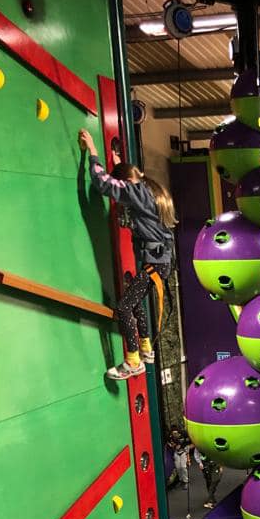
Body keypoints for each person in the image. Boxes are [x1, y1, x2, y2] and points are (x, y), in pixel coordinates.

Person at [78, 129, 176, 380]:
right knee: (136, 303)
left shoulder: (137, 192)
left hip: (155, 262)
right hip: (160, 262)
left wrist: (94, 152)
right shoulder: (151, 189)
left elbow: (103, 183)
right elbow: (127, 183)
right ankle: (146, 349)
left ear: (127, 182)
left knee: (123, 308)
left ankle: (133, 361)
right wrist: (120, 163)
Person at [166, 425, 191, 490]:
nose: (175, 434)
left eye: (176, 433)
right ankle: (181, 480)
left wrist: (188, 456)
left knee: (183, 467)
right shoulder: (170, 437)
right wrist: (172, 445)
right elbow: (169, 443)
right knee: (178, 467)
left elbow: (188, 443)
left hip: (183, 452)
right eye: (173, 433)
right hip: (176, 453)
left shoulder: (183, 434)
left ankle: (186, 481)